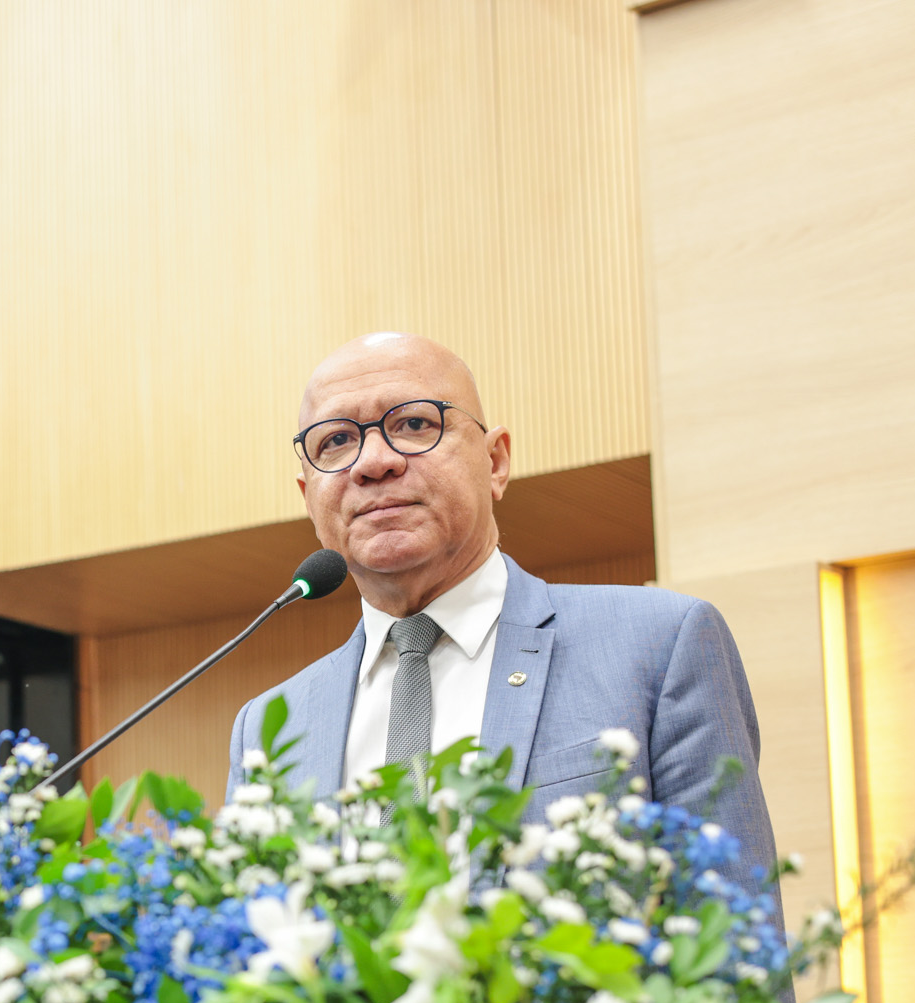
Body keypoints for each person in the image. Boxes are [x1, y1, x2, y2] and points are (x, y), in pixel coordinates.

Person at [226, 331, 779, 890]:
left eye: (415, 424)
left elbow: (736, 947)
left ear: (495, 462)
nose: (373, 463)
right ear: (308, 497)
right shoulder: (269, 728)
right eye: (336, 441)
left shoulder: (661, 644)